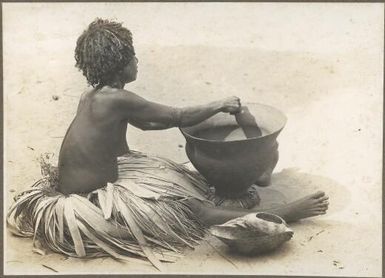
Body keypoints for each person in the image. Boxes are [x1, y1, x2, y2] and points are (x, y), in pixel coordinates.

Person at [7, 18, 328, 267]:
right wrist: (220, 104)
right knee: (192, 210)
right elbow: (172, 116)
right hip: (91, 200)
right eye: (133, 56)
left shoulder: (93, 96)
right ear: (121, 62)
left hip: (93, 181)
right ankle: (289, 211)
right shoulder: (117, 99)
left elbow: (146, 123)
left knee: (173, 175)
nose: (137, 62)